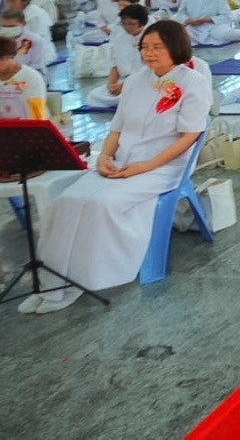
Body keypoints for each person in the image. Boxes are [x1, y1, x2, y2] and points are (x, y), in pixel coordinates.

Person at [25, 20, 210, 313]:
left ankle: (83, 281)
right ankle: (50, 282)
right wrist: (104, 157)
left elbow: (189, 136)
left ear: (175, 47)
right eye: (145, 48)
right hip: (122, 160)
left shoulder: (193, 83)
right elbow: (117, 128)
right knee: (65, 202)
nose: (148, 54)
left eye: (157, 47)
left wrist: (145, 166)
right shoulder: (137, 80)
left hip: (163, 166)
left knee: (101, 206)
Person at [0, 35, 47, 119]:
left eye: (1, 59)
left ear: (11, 56)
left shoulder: (31, 77)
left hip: (27, 125)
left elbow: (36, 112)